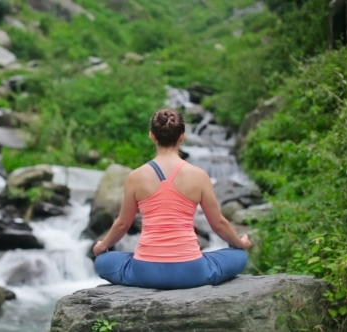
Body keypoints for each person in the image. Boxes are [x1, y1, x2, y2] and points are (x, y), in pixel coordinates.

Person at [92, 108, 252, 290]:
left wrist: (101, 246)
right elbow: (218, 224)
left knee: (103, 261)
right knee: (239, 257)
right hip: (191, 272)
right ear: (182, 136)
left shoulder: (136, 177)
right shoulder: (199, 176)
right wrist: (240, 243)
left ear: (152, 136)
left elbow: (122, 224)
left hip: (145, 272)